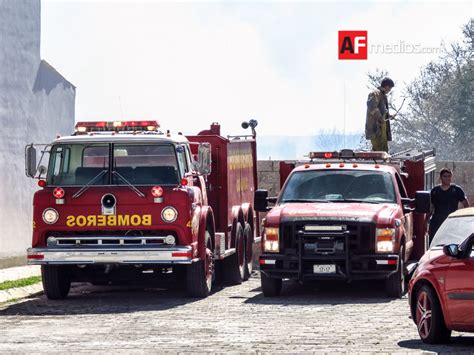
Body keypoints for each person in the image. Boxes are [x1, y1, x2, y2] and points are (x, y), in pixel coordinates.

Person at [429, 168, 470, 242]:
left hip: (451, 220)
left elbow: (465, 203)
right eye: (445, 176)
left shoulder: (457, 190)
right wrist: (426, 222)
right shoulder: (435, 191)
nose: (447, 178)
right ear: (441, 177)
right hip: (437, 221)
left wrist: (463, 218)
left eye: (449, 176)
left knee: (451, 242)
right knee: (434, 241)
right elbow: (431, 207)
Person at [365, 77, 394, 152]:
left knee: (382, 152)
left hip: (381, 131)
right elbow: (371, 105)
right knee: (380, 152)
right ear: (387, 87)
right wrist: (380, 117)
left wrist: (388, 116)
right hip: (375, 130)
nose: (389, 91)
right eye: (390, 89)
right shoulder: (375, 93)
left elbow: (381, 111)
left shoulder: (382, 96)